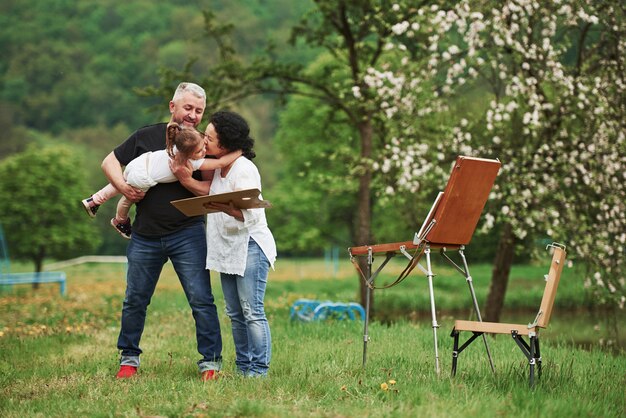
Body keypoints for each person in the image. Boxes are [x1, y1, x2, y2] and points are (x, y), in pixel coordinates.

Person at [102, 82, 222, 381]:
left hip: (188, 232)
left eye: (199, 111)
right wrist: (124, 187)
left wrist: (187, 178)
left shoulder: (200, 142)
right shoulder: (146, 135)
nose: (193, 115)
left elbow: (211, 189)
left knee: (201, 299)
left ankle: (210, 363)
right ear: (173, 107)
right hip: (145, 235)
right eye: (188, 108)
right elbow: (109, 162)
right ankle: (128, 359)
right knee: (135, 299)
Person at [172, 110, 276, 377]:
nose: (204, 141)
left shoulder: (244, 170)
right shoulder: (218, 167)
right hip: (228, 247)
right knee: (234, 312)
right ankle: (243, 367)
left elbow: (251, 214)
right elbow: (210, 193)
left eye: (210, 137)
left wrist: (228, 209)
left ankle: (259, 370)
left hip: (250, 245)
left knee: (252, 310)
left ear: (226, 142)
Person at [81, 123, 242, 239]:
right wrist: (239, 151)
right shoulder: (191, 162)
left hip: (139, 163)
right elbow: (220, 163)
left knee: (121, 181)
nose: (205, 151)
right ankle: (120, 220)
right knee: (129, 198)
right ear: (189, 154)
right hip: (143, 178)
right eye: (200, 150)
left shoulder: (175, 145)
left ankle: (94, 199)